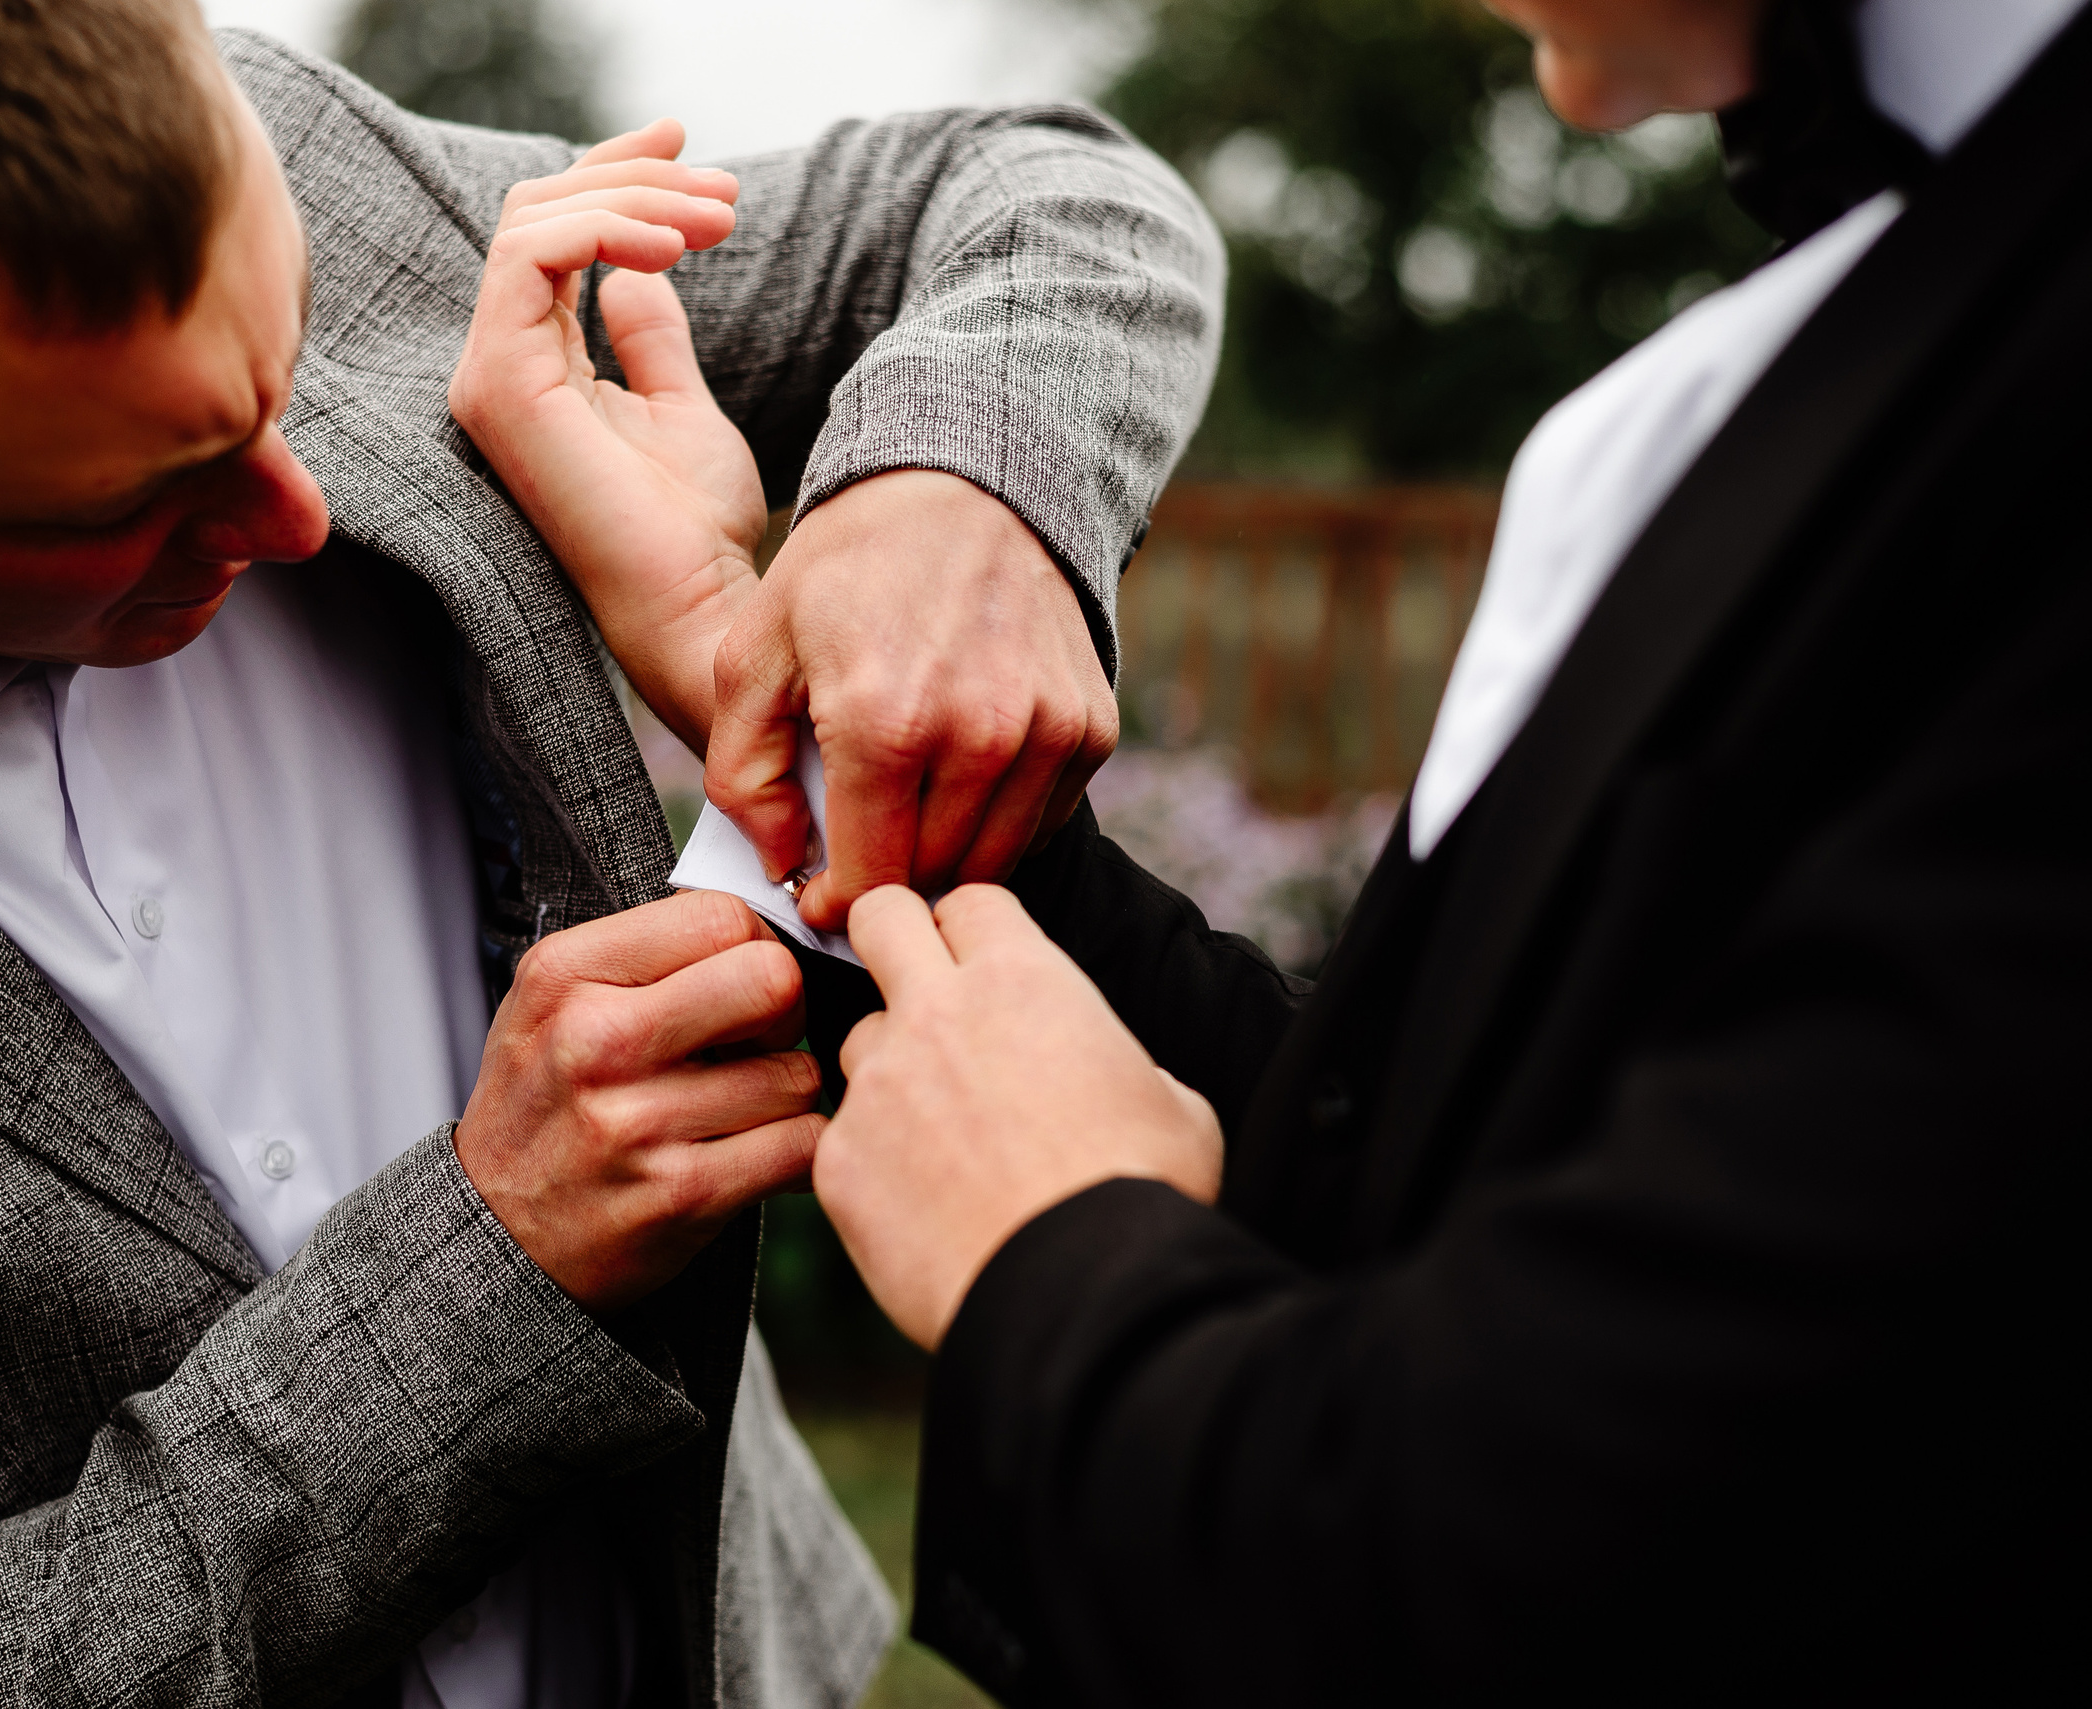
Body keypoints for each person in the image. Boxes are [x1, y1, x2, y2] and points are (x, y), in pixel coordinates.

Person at [0, 3, 1223, 1706]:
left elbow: (1042, 194)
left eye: (284, 365)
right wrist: (492, 1265)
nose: (298, 510)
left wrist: (949, 494)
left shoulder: (303, 163)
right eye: (122, 502)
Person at [475, 0, 2092, 1702]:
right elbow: (1476, 1221)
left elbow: (1568, 1577)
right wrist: (784, 677)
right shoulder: (1858, 325)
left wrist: (1056, 1260)